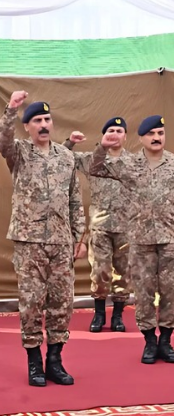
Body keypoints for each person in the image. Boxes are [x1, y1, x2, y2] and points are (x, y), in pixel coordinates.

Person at [0, 92, 86, 387]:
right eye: (37, 121)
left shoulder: (66, 157)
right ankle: (34, 362)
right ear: (27, 127)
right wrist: (11, 109)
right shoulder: (19, 153)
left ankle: (55, 361)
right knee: (32, 303)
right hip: (29, 240)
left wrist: (78, 236)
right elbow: (2, 142)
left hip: (61, 242)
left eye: (47, 119)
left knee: (62, 303)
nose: (44, 125)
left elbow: (75, 199)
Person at [90, 115, 174, 364]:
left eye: (160, 133)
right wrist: (103, 146)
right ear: (141, 138)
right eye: (151, 134)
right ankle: (149, 341)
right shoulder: (129, 164)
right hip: (139, 241)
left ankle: (166, 341)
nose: (156, 138)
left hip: (170, 239)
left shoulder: (173, 164)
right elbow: (95, 168)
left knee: (171, 293)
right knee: (144, 293)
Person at [63, 118, 132, 333]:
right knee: (100, 272)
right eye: (110, 130)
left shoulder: (135, 162)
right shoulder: (92, 160)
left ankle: (118, 316)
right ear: (103, 135)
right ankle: (99, 314)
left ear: (125, 136)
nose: (114, 133)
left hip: (127, 228)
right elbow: (63, 159)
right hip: (100, 226)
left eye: (119, 130)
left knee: (123, 273)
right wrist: (70, 142)